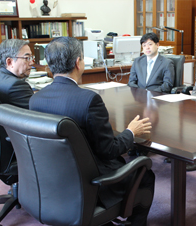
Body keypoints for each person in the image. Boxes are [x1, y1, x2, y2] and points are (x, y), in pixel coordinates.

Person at [29, 37, 155, 226]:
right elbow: (109, 151)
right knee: (146, 174)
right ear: (78, 63)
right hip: (91, 181)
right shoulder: (89, 100)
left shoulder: (35, 99)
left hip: (53, 179)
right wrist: (130, 131)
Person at [0, 39, 34, 109]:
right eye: (27, 58)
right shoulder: (16, 85)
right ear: (9, 62)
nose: (31, 63)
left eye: (31, 57)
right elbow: (38, 110)